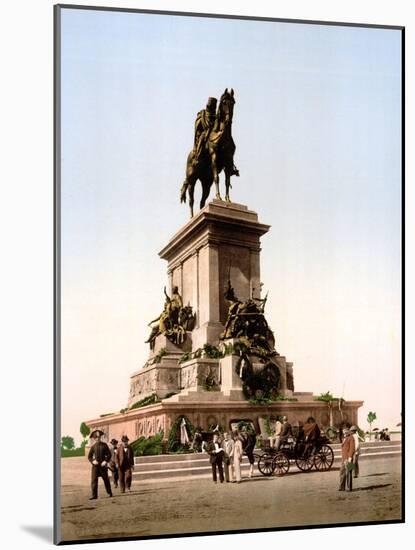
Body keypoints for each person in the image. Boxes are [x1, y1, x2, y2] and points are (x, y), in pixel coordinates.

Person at [87, 429, 113, 500]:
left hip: (103, 466)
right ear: (94, 439)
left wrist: (105, 461)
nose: (97, 439)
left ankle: (109, 492)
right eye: (96, 438)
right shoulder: (93, 447)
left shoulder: (104, 445)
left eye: (99, 437)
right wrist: (93, 461)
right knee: (94, 481)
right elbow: (89, 456)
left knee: (106, 480)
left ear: (100, 437)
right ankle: (94, 495)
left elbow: (109, 454)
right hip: (95, 467)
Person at [192, 97, 217, 167]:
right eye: (210, 104)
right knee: (202, 139)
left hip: (214, 134)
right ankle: (198, 158)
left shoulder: (216, 116)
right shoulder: (202, 114)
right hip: (204, 134)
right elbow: (197, 125)